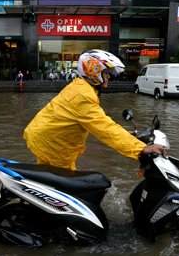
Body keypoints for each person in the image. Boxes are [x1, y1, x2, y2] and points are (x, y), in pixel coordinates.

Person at [23, 49, 165, 170]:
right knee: (64, 191)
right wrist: (140, 148)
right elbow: (104, 128)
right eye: (106, 72)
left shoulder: (82, 88)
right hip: (54, 148)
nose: (109, 76)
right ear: (93, 72)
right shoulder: (82, 95)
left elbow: (96, 123)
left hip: (52, 142)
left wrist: (126, 135)